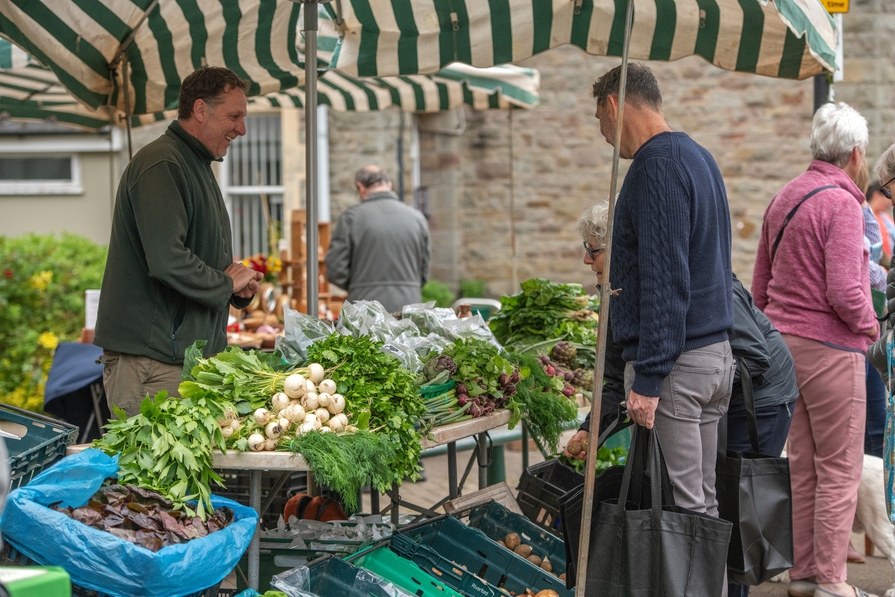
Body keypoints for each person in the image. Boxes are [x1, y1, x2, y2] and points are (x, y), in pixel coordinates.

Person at [564, 200, 798, 597]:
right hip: (711, 396)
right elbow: (615, 375)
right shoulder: (621, 294)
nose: (587, 261)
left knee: (727, 506)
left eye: (593, 250)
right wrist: (591, 428)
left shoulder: (695, 276)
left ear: (622, 246)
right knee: (703, 508)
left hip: (760, 397)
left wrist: (686, 386)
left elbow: (755, 355)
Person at [592, 64, 736, 586]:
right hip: (713, 357)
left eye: (600, 121)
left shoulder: (656, 166)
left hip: (679, 366)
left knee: (682, 514)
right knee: (700, 510)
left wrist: (649, 378)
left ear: (614, 105)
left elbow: (666, 278)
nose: (604, 136)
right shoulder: (699, 157)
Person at [752, 102, 879, 597]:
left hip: (783, 349)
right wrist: (870, 327)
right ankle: (830, 580)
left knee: (802, 466)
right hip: (831, 347)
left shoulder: (784, 196)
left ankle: (803, 572)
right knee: (840, 469)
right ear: (853, 153)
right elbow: (847, 291)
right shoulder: (844, 204)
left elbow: (761, 283)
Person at [93, 67, 262, 417]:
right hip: (152, 366)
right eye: (234, 116)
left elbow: (189, 256)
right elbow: (167, 259)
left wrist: (233, 290)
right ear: (200, 110)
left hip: (175, 362)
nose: (241, 129)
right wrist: (226, 281)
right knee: (149, 472)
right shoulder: (163, 164)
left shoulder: (194, 163)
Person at [325, 165, 431, 313]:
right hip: (410, 309)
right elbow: (424, 271)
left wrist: (359, 285)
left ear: (360, 187)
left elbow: (335, 269)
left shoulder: (351, 218)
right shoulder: (417, 218)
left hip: (364, 309)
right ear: (389, 185)